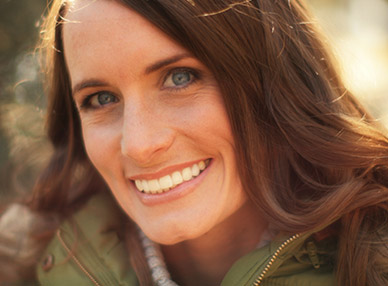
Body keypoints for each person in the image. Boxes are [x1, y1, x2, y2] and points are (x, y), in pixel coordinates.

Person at [1, 0, 388, 285]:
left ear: (276, 83)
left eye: (180, 77)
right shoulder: (21, 268)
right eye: (101, 99)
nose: (139, 145)